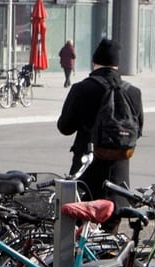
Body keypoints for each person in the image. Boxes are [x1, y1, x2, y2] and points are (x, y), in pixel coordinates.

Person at [56, 38, 143, 209]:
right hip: (119, 179)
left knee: (82, 229)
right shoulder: (133, 92)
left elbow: (65, 127)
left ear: (94, 62)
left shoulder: (81, 88)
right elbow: (137, 131)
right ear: (117, 64)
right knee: (111, 231)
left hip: (87, 173)